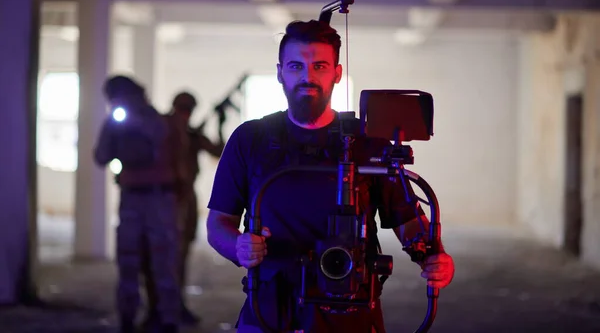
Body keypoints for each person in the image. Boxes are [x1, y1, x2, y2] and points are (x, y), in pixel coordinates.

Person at [206, 20, 455, 332]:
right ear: (281, 72)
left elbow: (407, 220)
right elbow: (218, 224)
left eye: (319, 66)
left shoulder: (368, 141)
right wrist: (238, 246)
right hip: (271, 307)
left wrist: (434, 257)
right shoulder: (251, 138)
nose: (307, 77)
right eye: (296, 66)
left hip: (350, 307)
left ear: (337, 73)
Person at [93, 75, 187, 333]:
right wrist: (115, 129)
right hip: (137, 196)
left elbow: (162, 154)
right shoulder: (121, 122)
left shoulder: (158, 121)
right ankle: (131, 317)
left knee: (162, 261)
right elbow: (101, 156)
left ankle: (166, 318)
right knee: (130, 261)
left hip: (156, 197)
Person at [145, 91, 226, 326]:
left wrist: (220, 124)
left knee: (181, 256)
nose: (185, 114)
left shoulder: (192, 135)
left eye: (189, 109)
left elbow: (217, 152)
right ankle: (155, 308)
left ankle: (175, 305)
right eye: (182, 108)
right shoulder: (161, 132)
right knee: (156, 256)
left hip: (186, 199)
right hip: (164, 198)